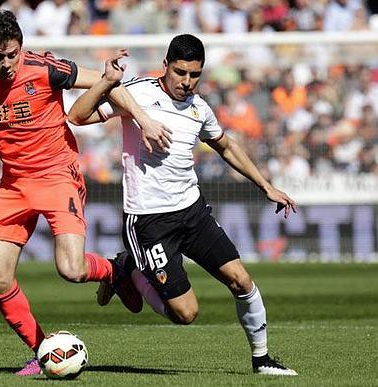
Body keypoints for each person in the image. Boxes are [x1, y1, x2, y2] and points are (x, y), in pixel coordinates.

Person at [0, 10, 171, 376]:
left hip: (57, 175)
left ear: (22, 47)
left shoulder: (46, 68)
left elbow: (109, 83)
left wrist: (145, 121)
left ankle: (116, 270)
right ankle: (41, 351)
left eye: (13, 54)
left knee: (70, 268)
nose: (6, 64)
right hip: (14, 183)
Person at [68, 34, 298, 376]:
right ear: (165, 66)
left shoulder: (198, 107)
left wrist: (265, 185)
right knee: (185, 313)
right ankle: (126, 270)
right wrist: (105, 82)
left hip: (192, 212)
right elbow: (77, 115)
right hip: (148, 222)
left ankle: (262, 360)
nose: (187, 82)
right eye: (180, 72)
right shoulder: (136, 93)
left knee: (241, 280)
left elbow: (226, 146)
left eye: (194, 75)